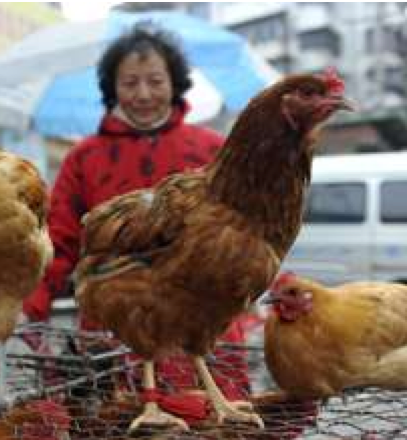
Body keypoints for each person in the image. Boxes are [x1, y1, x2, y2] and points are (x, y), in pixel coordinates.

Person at [21, 21, 254, 411]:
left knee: (217, 424)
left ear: (175, 83)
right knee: (117, 420)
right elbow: (59, 240)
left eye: (155, 81)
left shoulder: (214, 151)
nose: (143, 94)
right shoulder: (84, 157)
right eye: (130, 83)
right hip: (115, 324)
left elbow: (247, 233)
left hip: (204, 324)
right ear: (112, 88)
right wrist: (30, 304)